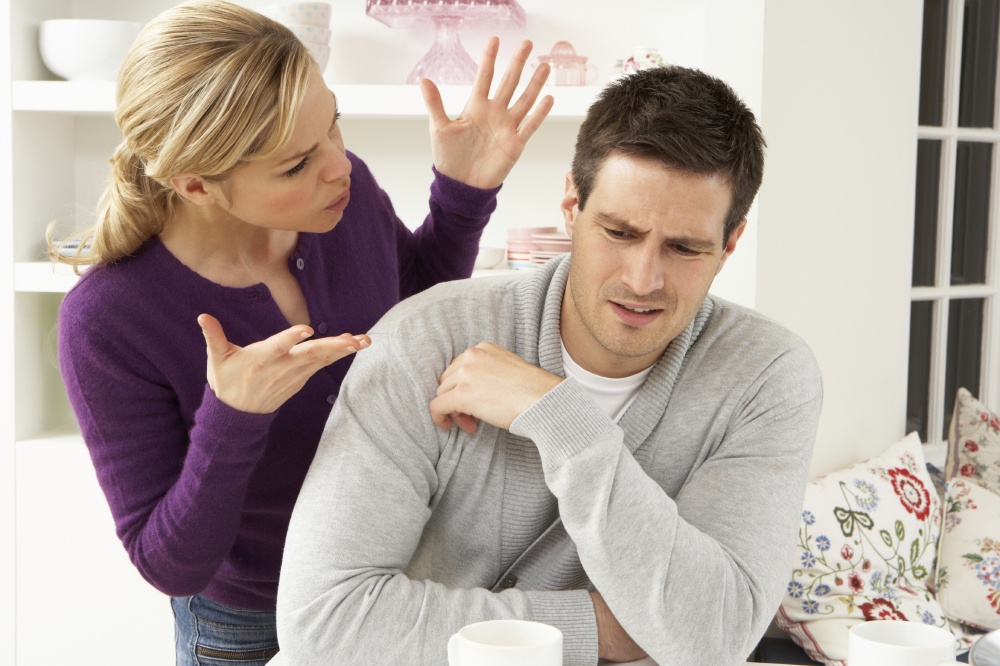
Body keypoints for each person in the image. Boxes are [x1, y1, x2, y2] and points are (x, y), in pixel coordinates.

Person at [52, 0, 553, 663]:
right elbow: (170, 565)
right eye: (295, 165)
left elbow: (412, 312)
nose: (339, 165)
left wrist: (462, 195)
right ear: (196, 185)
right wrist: (232, 417)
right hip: (248, 622)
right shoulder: (108, 319)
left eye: (333, 125)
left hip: (397, 578)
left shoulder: (346, 200)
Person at [276, 64, 824, 665]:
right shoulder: (423, 339)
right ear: (571, 204)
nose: (643, 279)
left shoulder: (767, 376)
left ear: (731, 242)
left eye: (684, 248)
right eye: (619, 232)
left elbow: (716, 636)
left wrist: (562, 420)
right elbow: (320, 622)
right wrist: (602, 628)